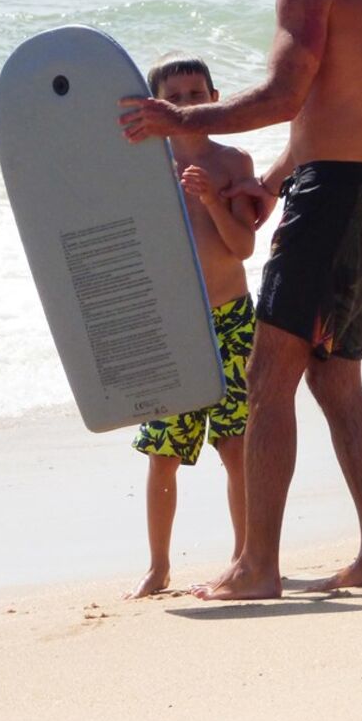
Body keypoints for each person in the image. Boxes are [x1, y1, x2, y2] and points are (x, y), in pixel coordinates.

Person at [120, 0, 362, 598]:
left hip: (334, 199)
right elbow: (337, 109)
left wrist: (181, 118)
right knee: (336, 378)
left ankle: (257, 566)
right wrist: (272, 183)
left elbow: (284, 95)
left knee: (266, 378)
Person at [123, 54, 257, 598]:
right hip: (173, 324)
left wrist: (210, 200)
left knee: (236, 445)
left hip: (232, 319)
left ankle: (246, 556)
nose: (187, 104)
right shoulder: (141, 166)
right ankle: (158, 567)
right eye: (174, 98)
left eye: (197, 94)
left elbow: (243, 247)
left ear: (215, 97)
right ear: (155, 106)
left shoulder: (232, 161)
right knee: (163, 452)